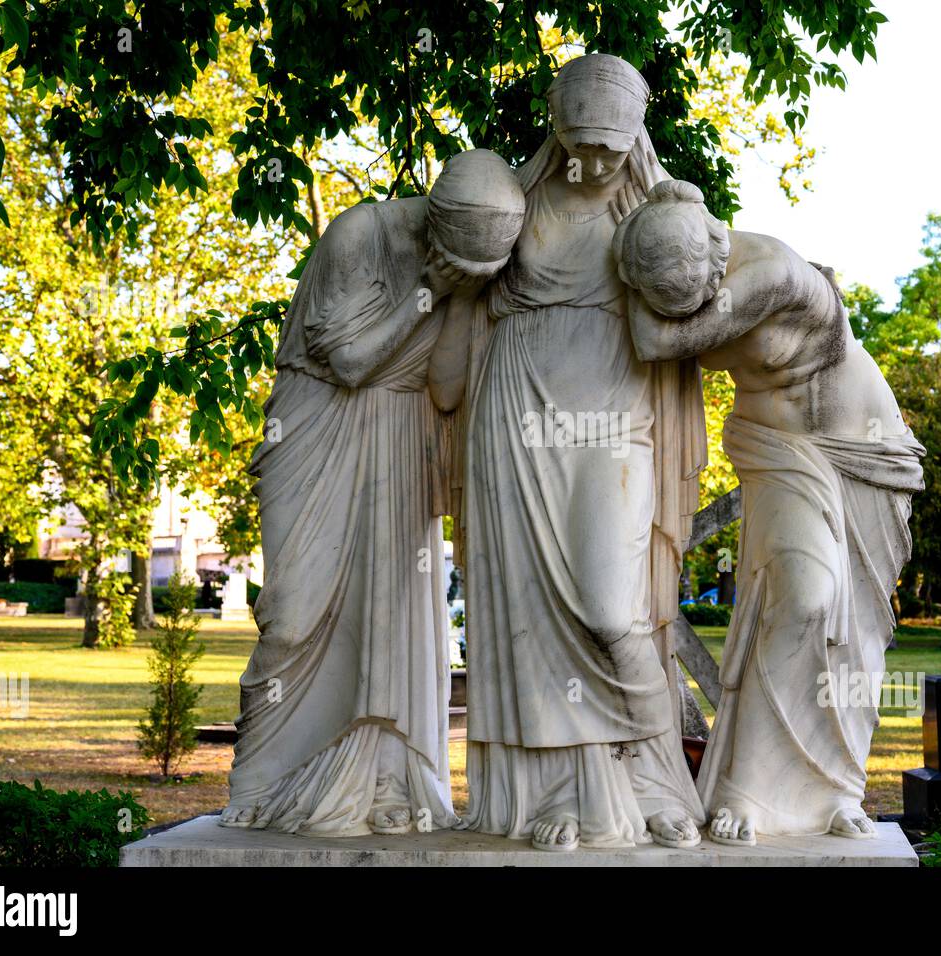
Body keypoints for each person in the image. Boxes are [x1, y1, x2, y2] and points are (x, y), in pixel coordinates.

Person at [220, 150, 525, 836]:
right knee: (292, 612)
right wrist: (431, 293)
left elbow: (445, 388)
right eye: (461, 265)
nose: (468, 280)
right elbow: (352, 362)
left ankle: (386, 780)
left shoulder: (462, 280)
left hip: (401, 435)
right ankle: (263, 782)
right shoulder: (360, 235)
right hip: (318, 419)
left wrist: (457, 299)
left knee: (388, 616)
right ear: (436, 224)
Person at [447, 55, 706, 851]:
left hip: (611, 421)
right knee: (524, 612)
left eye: (609, 148)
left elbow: (700, 295)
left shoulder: (658, 209)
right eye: (576, 145)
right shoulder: (513, 203)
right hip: (513, 415)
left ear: (635, 139)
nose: (591, 163)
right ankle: (557, 793)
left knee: (609, 611)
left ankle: (653, 776)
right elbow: (457, 281)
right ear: (553, 133)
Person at [614, 179, 926, 842]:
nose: (679, 306)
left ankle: (836, 794)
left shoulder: (772, 274)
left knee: (855, 635)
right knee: (808, 599)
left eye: (687, 292)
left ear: (711, 253)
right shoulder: (698, 271)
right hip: (781, 454)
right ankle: (747, 789)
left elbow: (654, 339)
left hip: (865, 457)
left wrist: (632, 279)